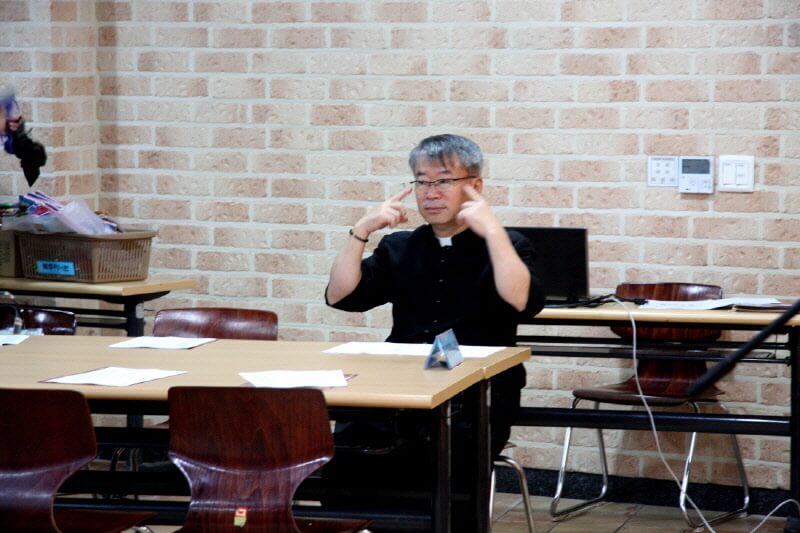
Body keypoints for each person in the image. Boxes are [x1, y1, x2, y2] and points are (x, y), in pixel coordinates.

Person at [324, 133, 544, 521]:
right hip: (401, 386)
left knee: (443, 463)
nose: (431, 193)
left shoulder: (507, 244)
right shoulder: (400, 246)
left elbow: (522, 301)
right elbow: (340, 296)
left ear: (475, 186)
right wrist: (361, 230)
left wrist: (493, 230)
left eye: (444, 181)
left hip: (476, 392)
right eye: (422, 182)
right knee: (350, 448)